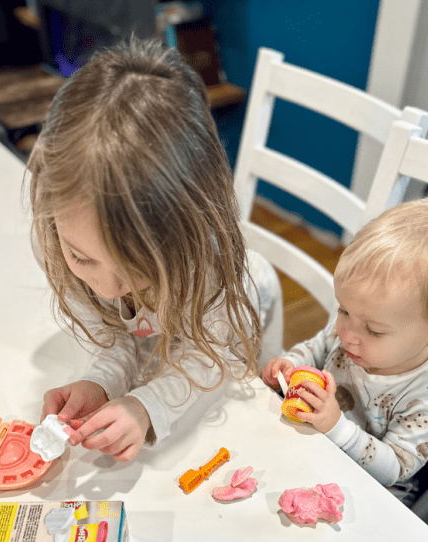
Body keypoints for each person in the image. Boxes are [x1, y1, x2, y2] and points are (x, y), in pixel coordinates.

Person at [27, 38, 279, 462]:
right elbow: (114, 334)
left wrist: (149, 405)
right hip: (164, 342)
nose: (108, 290)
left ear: (190, 230)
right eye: (83, 259)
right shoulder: (59, 233)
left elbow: (207, 356)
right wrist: (102, 383)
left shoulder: (217, 273)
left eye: (135, 268)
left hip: (230, 335)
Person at [262, 198, 428, 504]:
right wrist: (291, 363)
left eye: (374, 330)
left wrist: (336, 427)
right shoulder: (359, 323)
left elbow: (394, 469)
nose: (347, 334)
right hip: (313, 449)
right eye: (343, 310)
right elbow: (318, 348)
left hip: (367, 495)